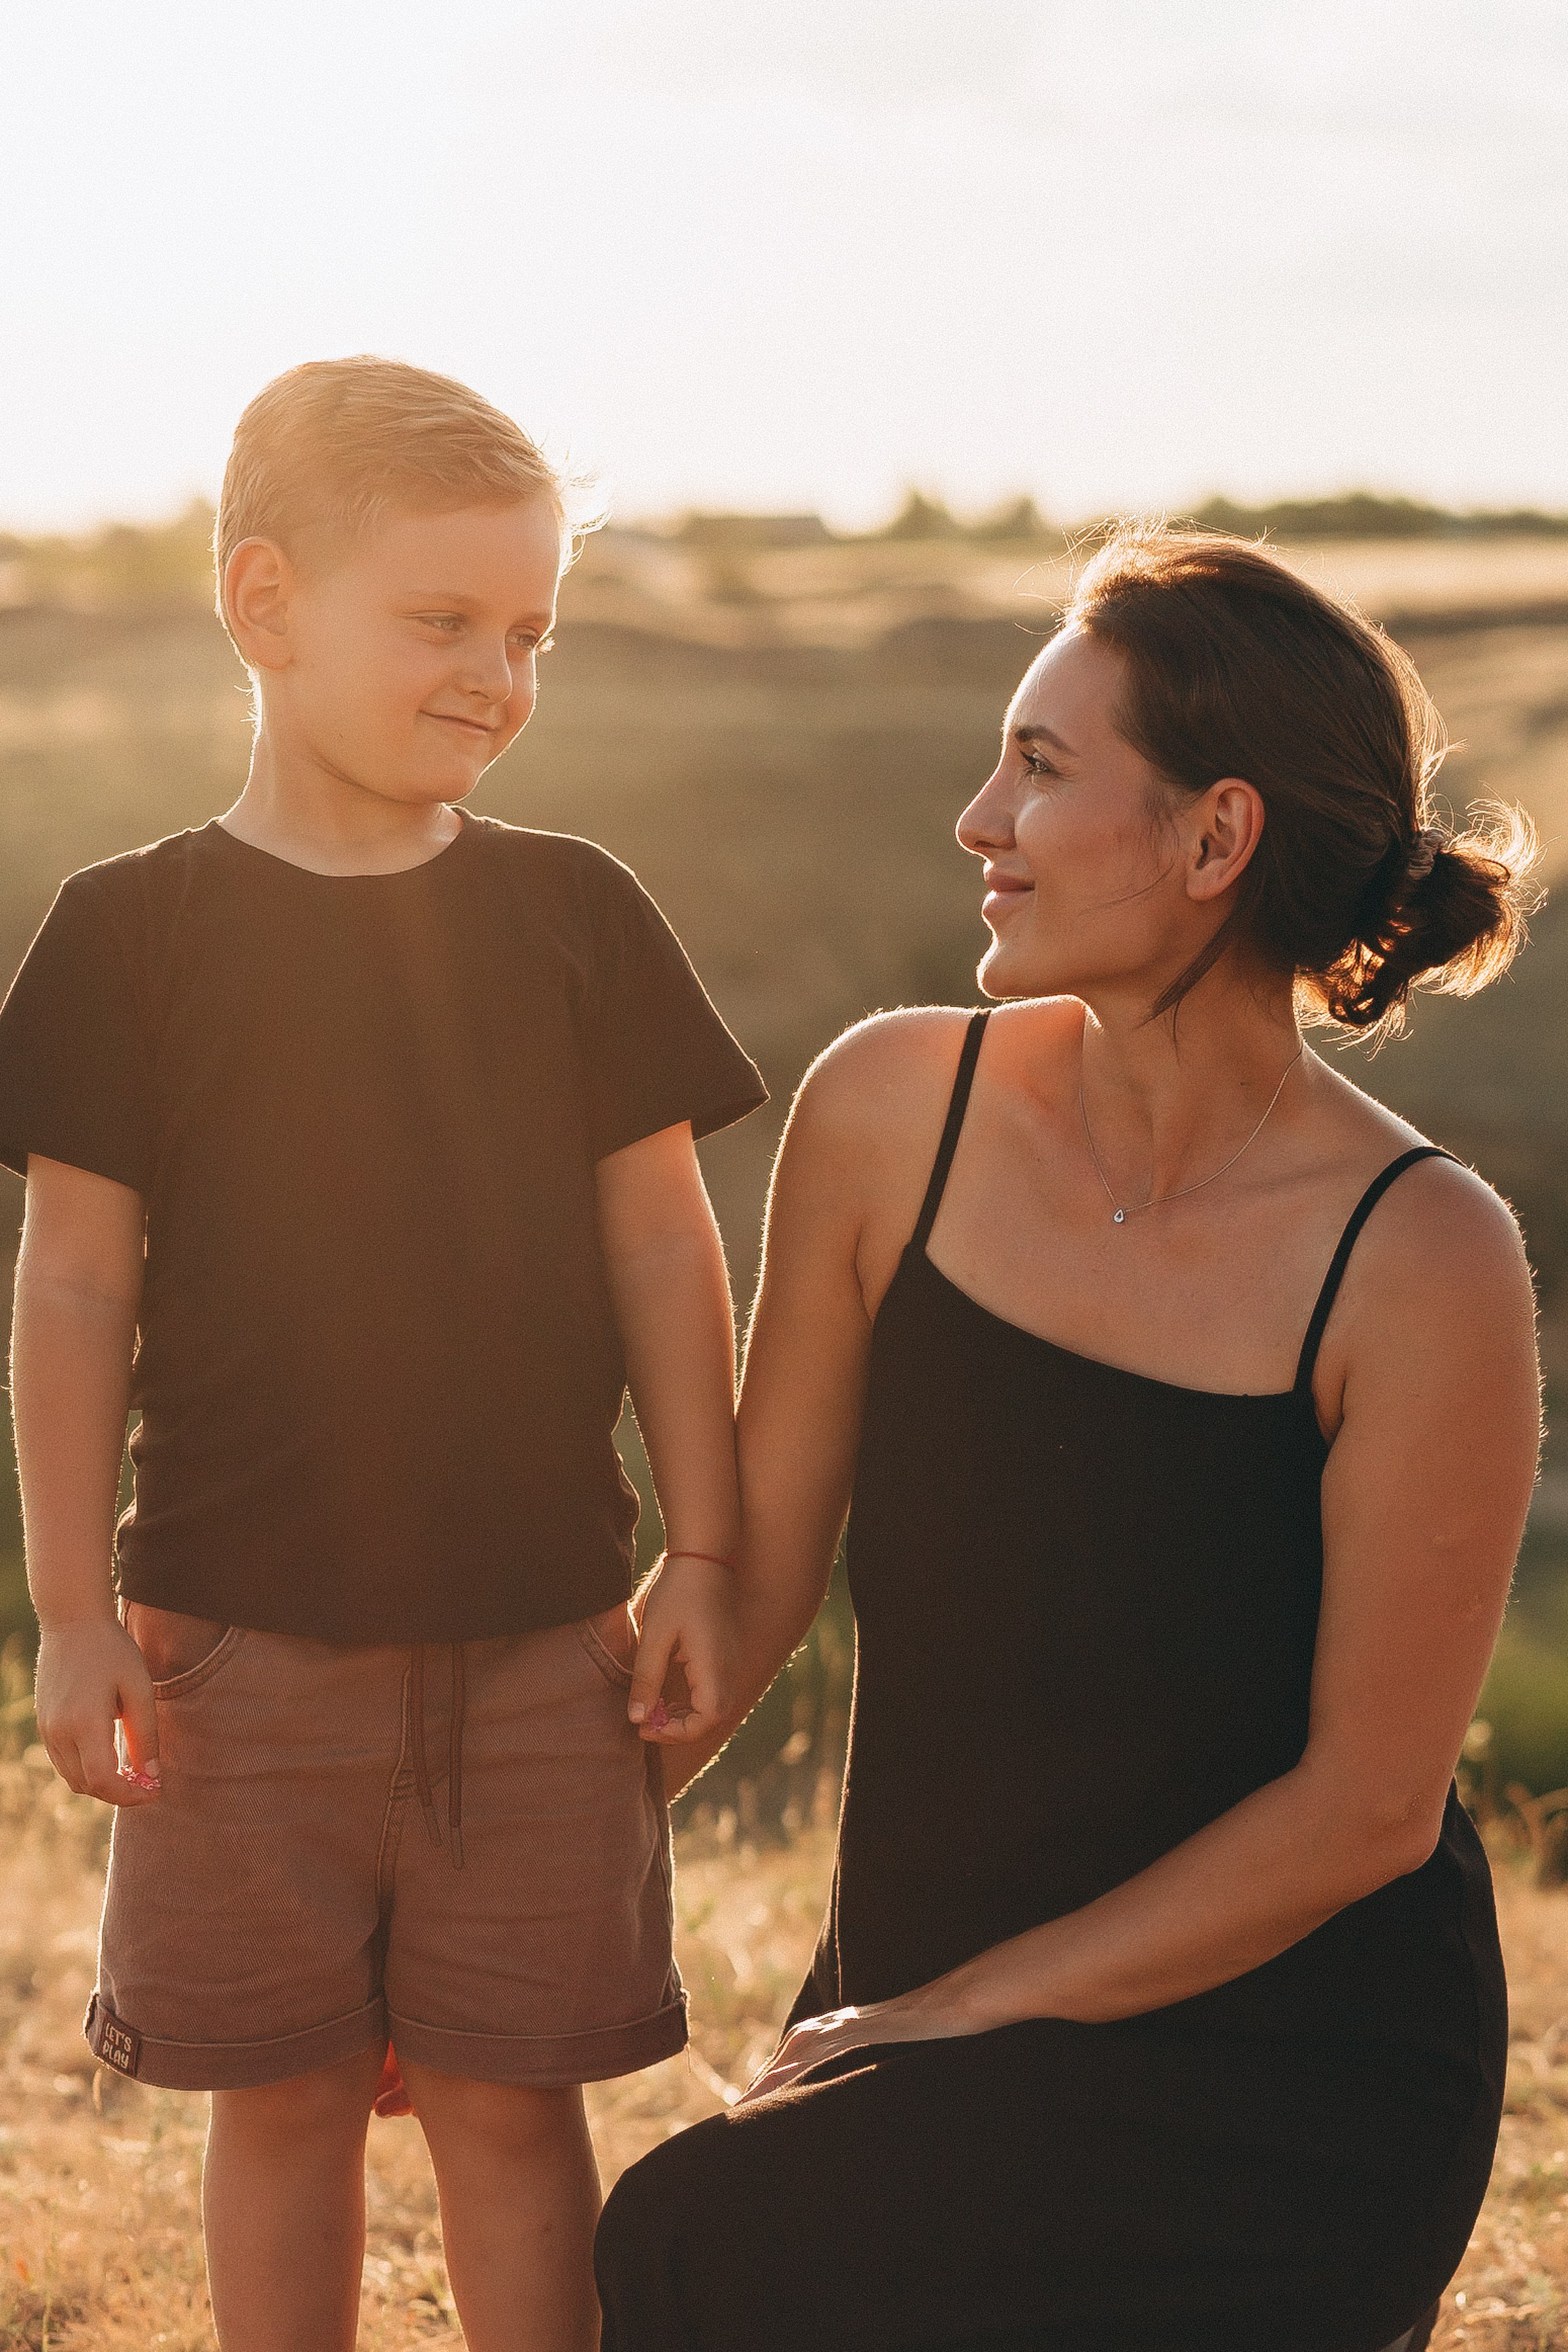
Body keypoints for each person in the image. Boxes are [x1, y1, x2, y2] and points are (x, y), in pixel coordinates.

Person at [594, 526, 1542, 2352]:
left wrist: (962, 2016)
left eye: (1039, 769)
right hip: (933, 1999)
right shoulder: (891, 1109)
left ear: (1214, 839)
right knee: (711, 2242)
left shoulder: (1426, 1261)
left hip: (1289, 2072)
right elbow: (739, 1590)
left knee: (710, 2232)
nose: (978, 820)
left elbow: (1362, 1814)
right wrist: (505, 1922)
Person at [0, 357, 764, 2352]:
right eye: (443, 622)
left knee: (518, 2112)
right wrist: (73, 1613)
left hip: (541, 1649)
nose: (496, 676)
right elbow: (73, 1286)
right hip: (231, 1657)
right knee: (287, 2107)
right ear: (263, 607)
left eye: (529, 634)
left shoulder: (576, 913)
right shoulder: (128, 934)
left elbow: (669, 1249)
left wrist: (704, 1551)